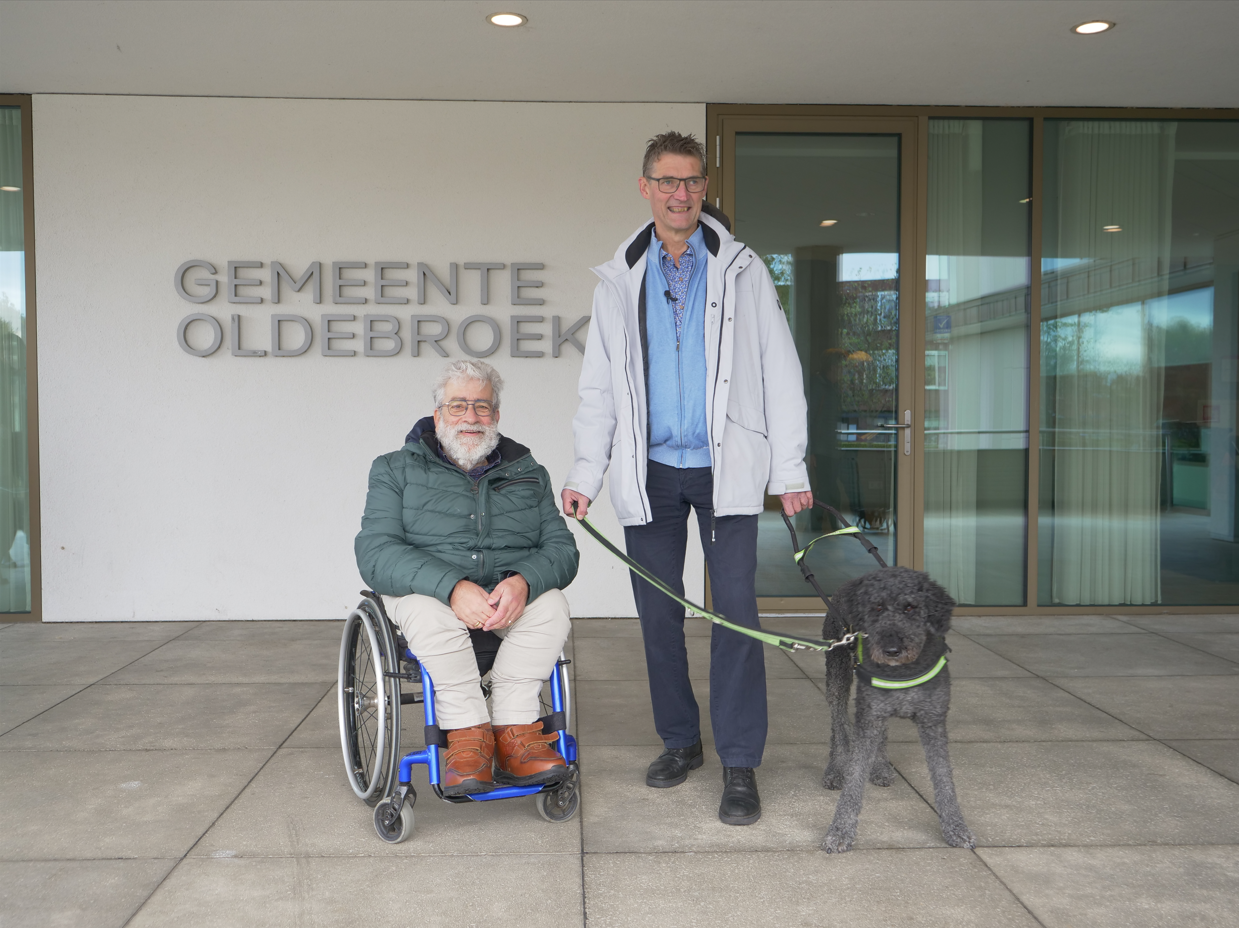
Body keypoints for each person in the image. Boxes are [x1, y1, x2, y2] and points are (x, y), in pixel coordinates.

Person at [561, 131, 811, 825]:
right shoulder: (620, 277)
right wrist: (587, 470)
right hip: (652, 475)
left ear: (706, 187)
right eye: (668, 182)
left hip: (725, 468)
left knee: (735, 615)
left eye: (692, 182)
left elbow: (779, 372)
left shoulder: (743, 269)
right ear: (645, 187)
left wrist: (788, 467)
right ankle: (680, 742)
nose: (681, 194)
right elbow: (599, 389)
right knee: (658, 619)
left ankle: (739, 763)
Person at [357, 359, 579, 796]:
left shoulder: (528, 472)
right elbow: (375, 553)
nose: (471, 417)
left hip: (506, 596)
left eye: (481, 406)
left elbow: (562, 549)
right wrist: (452, 588)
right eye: (458, 406)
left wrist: (524, 582)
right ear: (438, 415)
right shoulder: (394, 469)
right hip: (427, 595)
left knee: (552, 605)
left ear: (496, 416)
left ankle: (514, 730)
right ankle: (467, 737)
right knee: (426, 611)